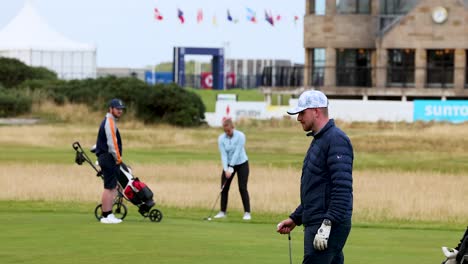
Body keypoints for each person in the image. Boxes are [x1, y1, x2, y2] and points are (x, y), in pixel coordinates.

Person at [276, 90, 354, 264]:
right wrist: (296, 217)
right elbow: (316, 189)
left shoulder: (336, 140)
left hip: (326, 224)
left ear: (316, 111)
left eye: (302, 113)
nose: (298, 118)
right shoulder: (320, 139)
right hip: (319, 221)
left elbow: (342, 188)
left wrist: (328, 223)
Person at [94, 98, 126, 224]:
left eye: (121, 109)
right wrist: (118, 158)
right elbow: (112, 143)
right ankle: (106, 215)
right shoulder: (110, 122)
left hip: (107, 157)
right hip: (108, 157)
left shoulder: (109, 121)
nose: (120, 111)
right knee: (110, 187)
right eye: (117, 109)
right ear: (110, 109)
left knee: (112, 187)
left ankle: (107, 215)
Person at [214, 117, 251, 220]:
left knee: (242, 188)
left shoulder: (241, 136)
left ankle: (247, 212)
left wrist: (231, 168)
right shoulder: (221, 138)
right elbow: (223, 155)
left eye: (229, 130)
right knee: (224, 188)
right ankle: (222, 212)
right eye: (225, 131)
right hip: (228, 165)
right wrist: (226, 169)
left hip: (242, 163)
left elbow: (237, 152)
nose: (227, 133)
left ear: (233, 127)